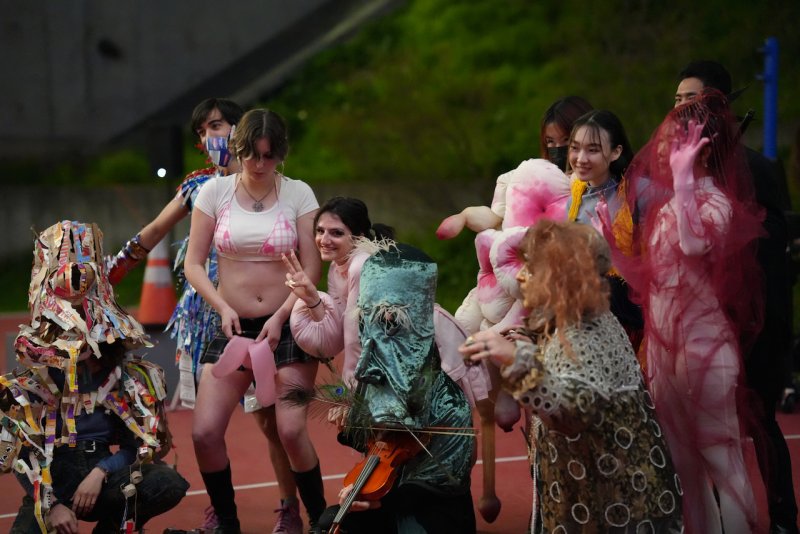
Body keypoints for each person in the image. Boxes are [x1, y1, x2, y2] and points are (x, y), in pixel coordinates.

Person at [604, 91, 763, 533]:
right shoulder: (671, 205)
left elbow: (695, 246)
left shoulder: (716, 203)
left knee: (723, 460)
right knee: (682, 466)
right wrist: (613, 249)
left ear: (703, 148)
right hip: (664, 350)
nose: (660, 146)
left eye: (676, 140)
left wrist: (685, 181)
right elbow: (652, 284)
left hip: (704, 348)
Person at [460, 220, 683, 533]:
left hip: (614, 508)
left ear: (559, 278)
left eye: (530, 269)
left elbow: (571, 412)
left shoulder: (585, 332)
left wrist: (516, 359)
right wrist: (530, 347)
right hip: (599, 499)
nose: (520, 276)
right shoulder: (576, 320)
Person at [184, 108, 324, 534]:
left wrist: (283, 315)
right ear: (237, 150)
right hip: (233, 325)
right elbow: (192, 264)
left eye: (269, 156)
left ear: (281, 153)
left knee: (290, 429)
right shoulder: (215, 193)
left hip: (286, 325)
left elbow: (312, 267)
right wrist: (222, 307)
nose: (260, 165)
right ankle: (227, 520)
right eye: (251, 155)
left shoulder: (298, 193)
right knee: (205, 433)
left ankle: (318, 520)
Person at [674, 60, 797, 534]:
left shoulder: (757, 168)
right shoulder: (679, 168)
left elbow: (772, 252)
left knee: (761, 423)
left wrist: (758, 319)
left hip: (754, 322)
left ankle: (783, 519)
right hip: (701, 327)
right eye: (677, 99)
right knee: (706, 436)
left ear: (717, 103)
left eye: (690, 98)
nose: (680, 107)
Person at [3, 220, 188, 534]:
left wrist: (102, 470)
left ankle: (112, 528)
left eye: (88, 331)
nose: (79, 340)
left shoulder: (125, 379)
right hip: (52, 483)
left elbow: (139, 449)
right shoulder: (28, 387)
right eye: (67, 332)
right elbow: (19, 455)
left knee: (166, 482)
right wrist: (51, 504)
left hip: (102, 476)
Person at [311, 242, 476, 533]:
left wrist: (381, 501)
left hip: (430, 507)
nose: (364, 366)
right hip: (387, 498)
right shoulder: (374, 378)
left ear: (419, 326)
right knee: (329, 523)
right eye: (366, 324)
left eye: (389, 325)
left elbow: (447, 480)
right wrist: (350, 426)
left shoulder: (450, 401)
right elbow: (371, 444)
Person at [564, 109, 644, 353]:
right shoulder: (576, 194)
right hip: (580, 318)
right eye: (575, 147)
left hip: (627, 321)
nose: (580, 158)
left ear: (616, 152)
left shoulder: (638, 193)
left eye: (593, 150)